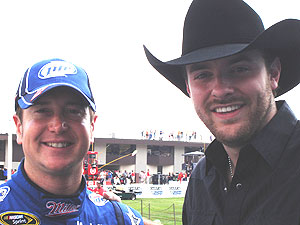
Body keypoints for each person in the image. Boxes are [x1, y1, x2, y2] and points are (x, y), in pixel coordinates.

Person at [144, 0, 300, 224]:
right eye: (202, 75)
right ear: (189, 87)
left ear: (273, 73)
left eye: (239, 69)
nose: (220, 90)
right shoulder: (201, 178)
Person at [0, 58, 143, 225]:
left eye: (73, 111)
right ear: (19, 127)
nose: (58, 126)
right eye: (42, 110)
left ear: (91, 127)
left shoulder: (121, 219)